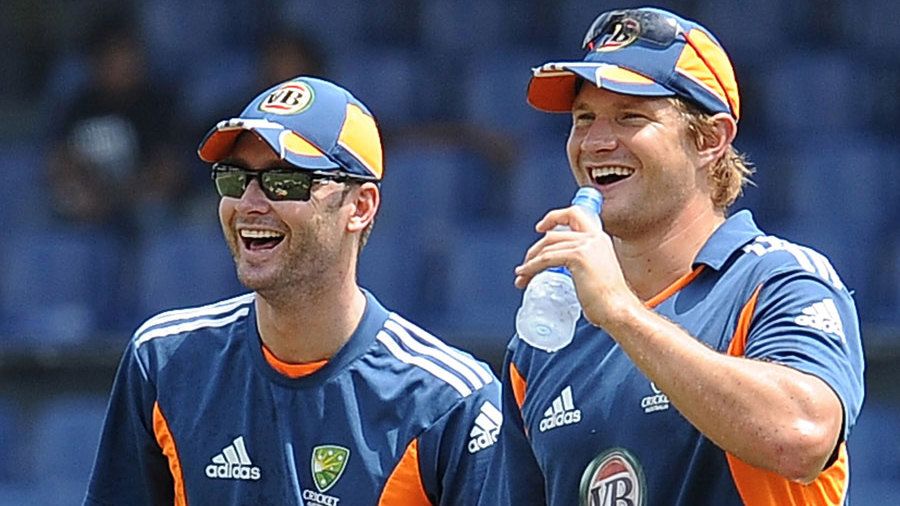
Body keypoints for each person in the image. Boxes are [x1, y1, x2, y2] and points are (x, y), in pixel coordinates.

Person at [479, 7, 864, 505]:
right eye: (584, 119)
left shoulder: (778, 282)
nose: (596, 142)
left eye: (631, 116)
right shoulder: (545, 339)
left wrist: (620, 311)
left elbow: (801, 436)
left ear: (710, 139)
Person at [84, 76, 501, 505]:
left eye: (284, 181)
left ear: (360, 206)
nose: (249, 203)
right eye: (234, 178)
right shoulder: (163, 363)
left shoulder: (451, 403)